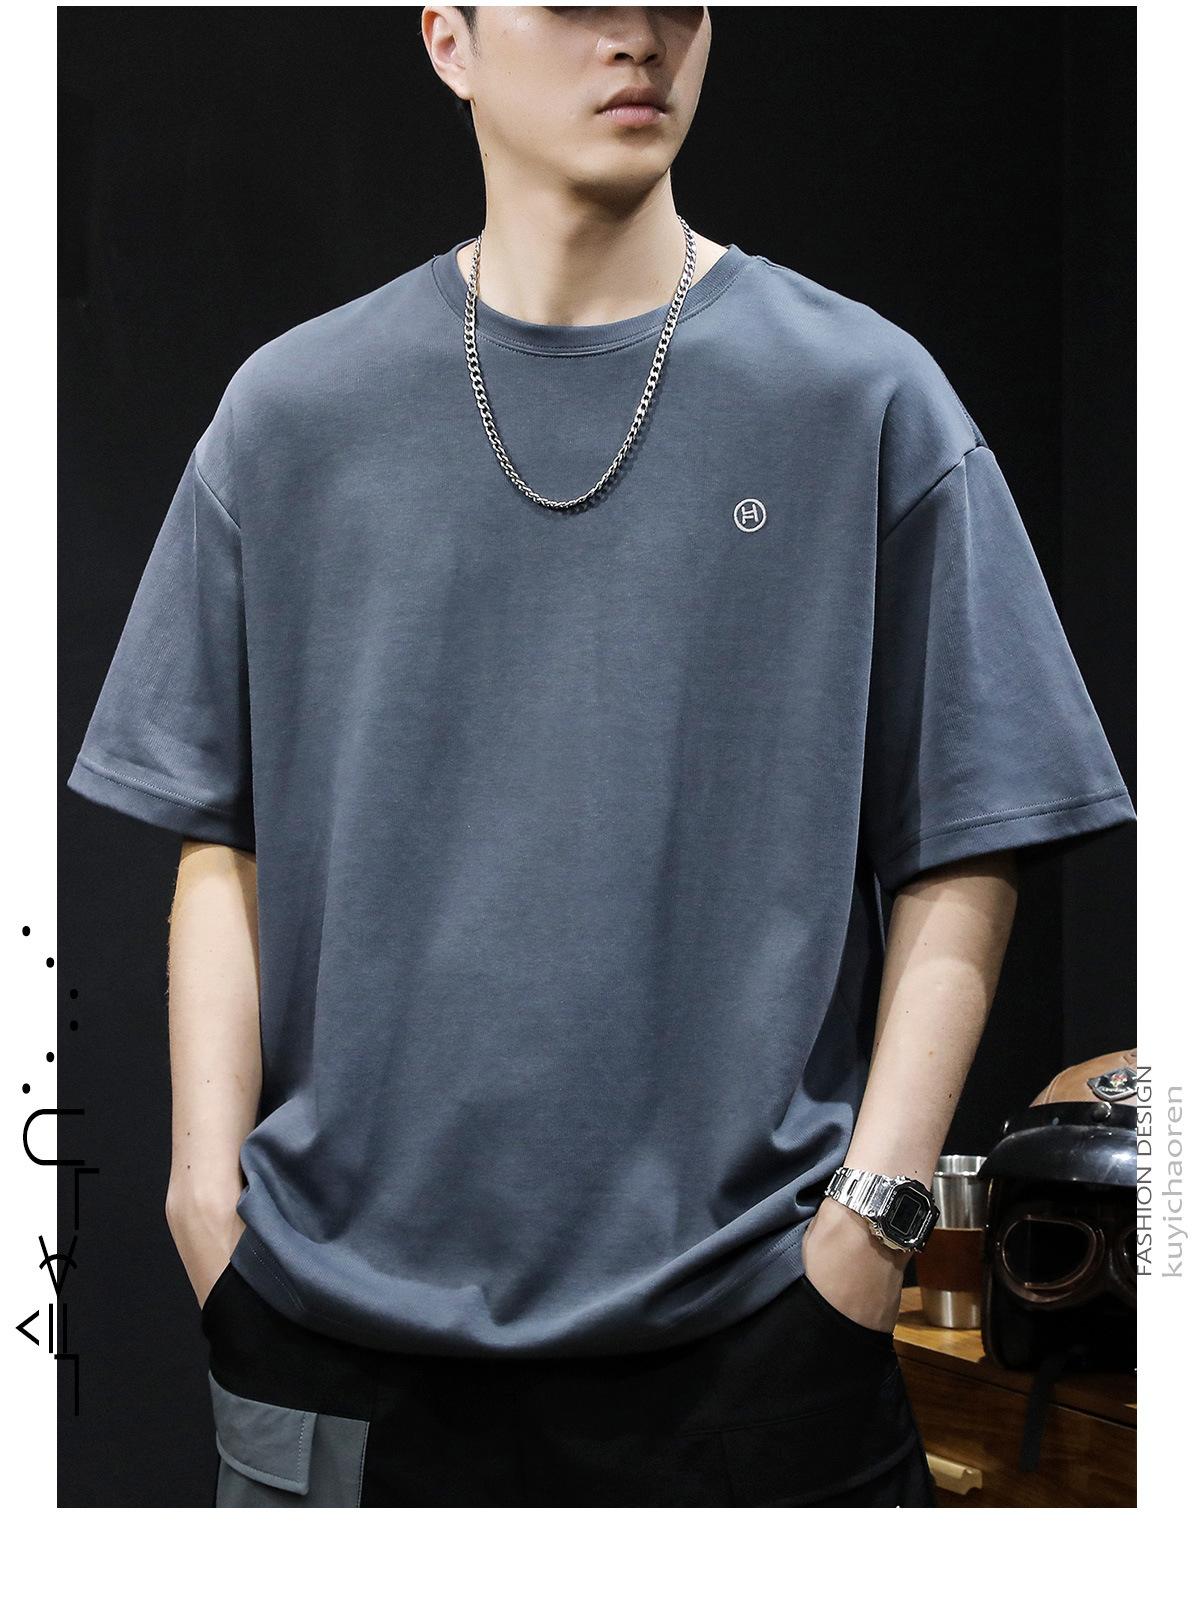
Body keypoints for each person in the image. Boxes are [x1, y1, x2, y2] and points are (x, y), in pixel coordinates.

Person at [67, 6, 1135, 1507]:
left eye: (677, 1)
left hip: (755, 1348)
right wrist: (204, 1202)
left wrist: (873, 1224)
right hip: (333, 1334)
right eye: (573, 1)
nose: (635, 35)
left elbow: (971, 833)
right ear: (449, 40)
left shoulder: (861, 396)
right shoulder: (294, 414)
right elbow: (218, 841)